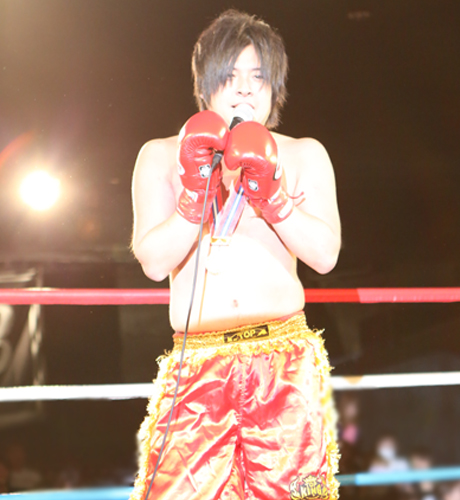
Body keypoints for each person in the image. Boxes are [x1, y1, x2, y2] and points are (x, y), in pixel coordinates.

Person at [130, 9, 341, 500]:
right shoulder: (160, 156)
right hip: (197, 367)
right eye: (230, 75)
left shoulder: (303, 154)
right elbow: (154, 263)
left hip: (284, 364)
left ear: (275, 87)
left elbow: (325, 255)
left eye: (258, 77)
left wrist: (276, 200)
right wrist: (193, 196)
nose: (245, 89)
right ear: (205, 84)